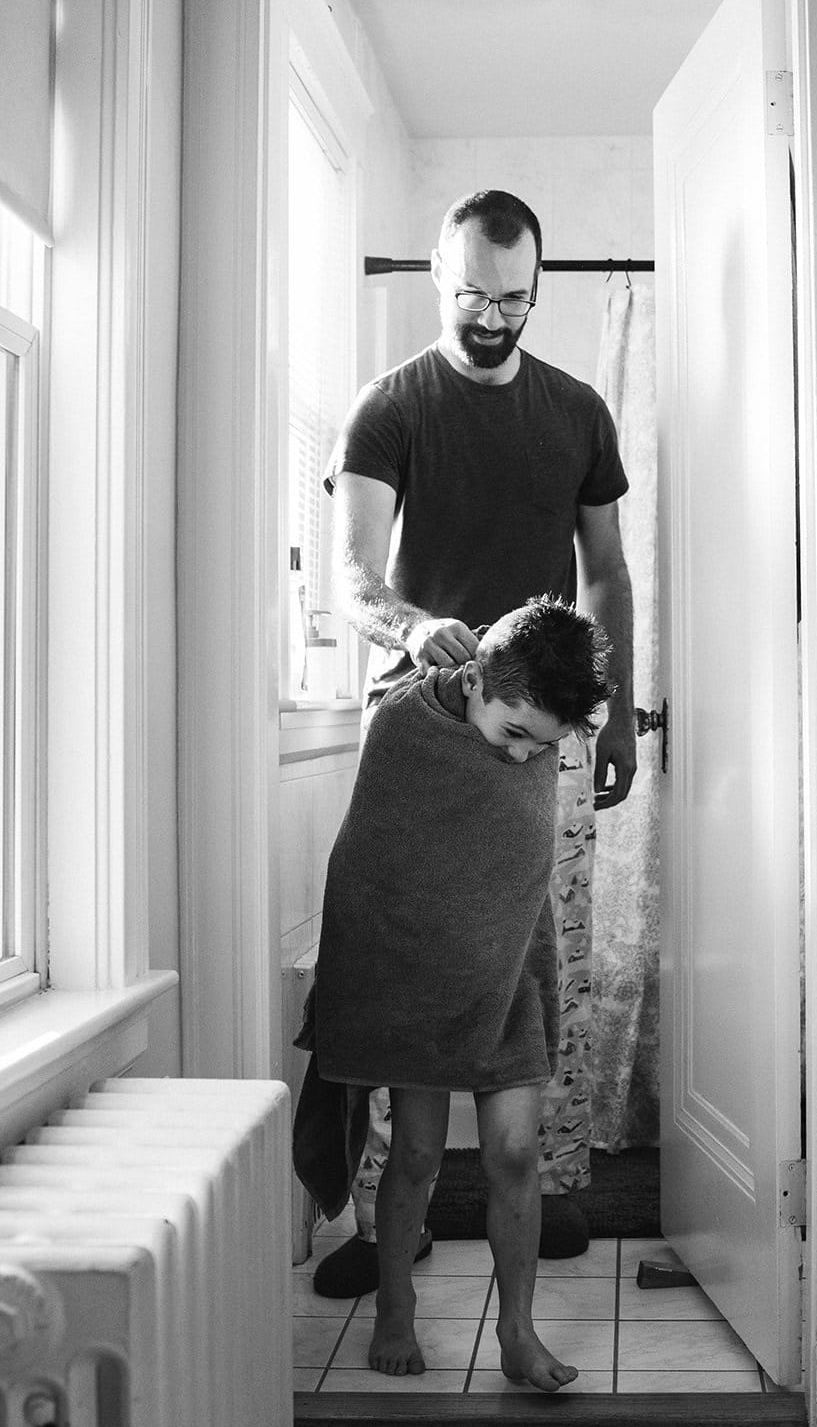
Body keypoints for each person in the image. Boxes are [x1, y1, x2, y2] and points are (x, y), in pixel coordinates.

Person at [313, 188, 636, 1297]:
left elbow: (607, 573)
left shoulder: (580, 410)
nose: (492, 316)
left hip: (542, 721)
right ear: (436, 278)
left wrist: (618, 712)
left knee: (545, 962)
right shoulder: (388, 406)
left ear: (536, 288)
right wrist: (411, 623)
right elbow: (350, 572)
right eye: (470, 294)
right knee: (390, 960)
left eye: (514, 298)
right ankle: (368, 1220)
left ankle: (547, 1180)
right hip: (416, 723)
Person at [300, 599, 615, 1388]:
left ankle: (516, 1331)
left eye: (541, 747)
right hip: (422, 977)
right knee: (415, 1150)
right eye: (513, 733)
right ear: (474, 678)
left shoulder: (532, 734)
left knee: (514, 1151)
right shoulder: (404, 727)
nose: (523, 758)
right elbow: (368, 863)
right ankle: (396, 1306)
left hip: (509, 969)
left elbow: (521, 860)